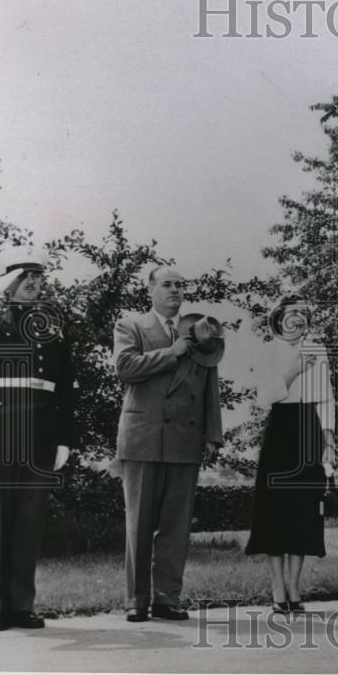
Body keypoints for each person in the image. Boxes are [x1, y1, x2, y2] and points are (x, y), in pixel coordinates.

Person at [0, 246, 74, 631]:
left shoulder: (53, 324)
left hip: (41, 433)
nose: (34, 283)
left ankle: (22, 605)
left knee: (28, 523)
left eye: (38, 277)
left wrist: (65, 439)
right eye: (25, 277)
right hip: (1, 430)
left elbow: (64, 388)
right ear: (8, 283)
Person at [113, 266, 224, 622]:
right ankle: (136, 601)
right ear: (150, 289)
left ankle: (167, 599)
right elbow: (125, 368)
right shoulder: (130, 326)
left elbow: (211, 385)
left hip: (185, 439)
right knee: (139, 524)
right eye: (167, 284)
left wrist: (213, 435)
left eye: (180, 285)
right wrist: (174, 351)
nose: (175, 290)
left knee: (176, 528)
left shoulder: (202, 331)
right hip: (142, 436)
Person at [246, 295, 336, 614]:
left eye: (303, 314)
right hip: (281, 428)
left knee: (303, 507)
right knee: (274, 507)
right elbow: (265, 397)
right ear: (279, 317)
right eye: (292, 314)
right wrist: (294, 370)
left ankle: (295, 589)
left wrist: (329, 441)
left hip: (308, 429)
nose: (297, 319)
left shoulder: (317, 349)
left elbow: (325, 397)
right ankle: (277, 588)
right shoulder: (268, 350)